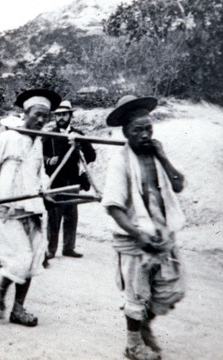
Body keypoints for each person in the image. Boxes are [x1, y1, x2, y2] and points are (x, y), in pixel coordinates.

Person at [102, 95, 185, 360]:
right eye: (138, 130)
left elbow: (178, 184)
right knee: (137, 294)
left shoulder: (158, 155)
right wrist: (140, 235)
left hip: (162, 235)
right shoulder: (120, 162)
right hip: (135, 238)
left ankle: (144, 326)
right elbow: (114, 207)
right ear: (125, 132)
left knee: (172, 289)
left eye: (148, 128)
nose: (145, 134)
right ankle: (133, 344)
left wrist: (163, 155)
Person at [0, 88, 60, 327]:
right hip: (8, 207)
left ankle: (18, 310)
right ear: (25, 113)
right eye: (36, 114)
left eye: (46, 116)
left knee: (33, 262)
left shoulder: (39, 142)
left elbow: (40, 173)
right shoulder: (9, 137)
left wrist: (46, 193)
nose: (41, 120)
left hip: (32, 208)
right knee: (19, 259)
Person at [42, 100, 96, 266]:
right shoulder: (50, 136)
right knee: (54, 216)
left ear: (70, 116)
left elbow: (92, 155)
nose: (61, 118)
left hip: (73, 180)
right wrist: (49, 161)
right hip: (56, 181)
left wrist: (79, 149)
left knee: (71, 215)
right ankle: (51, 249)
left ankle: (68, 247)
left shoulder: (78, 134)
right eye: (58, 115)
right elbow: (39, 157)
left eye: (64, 115)